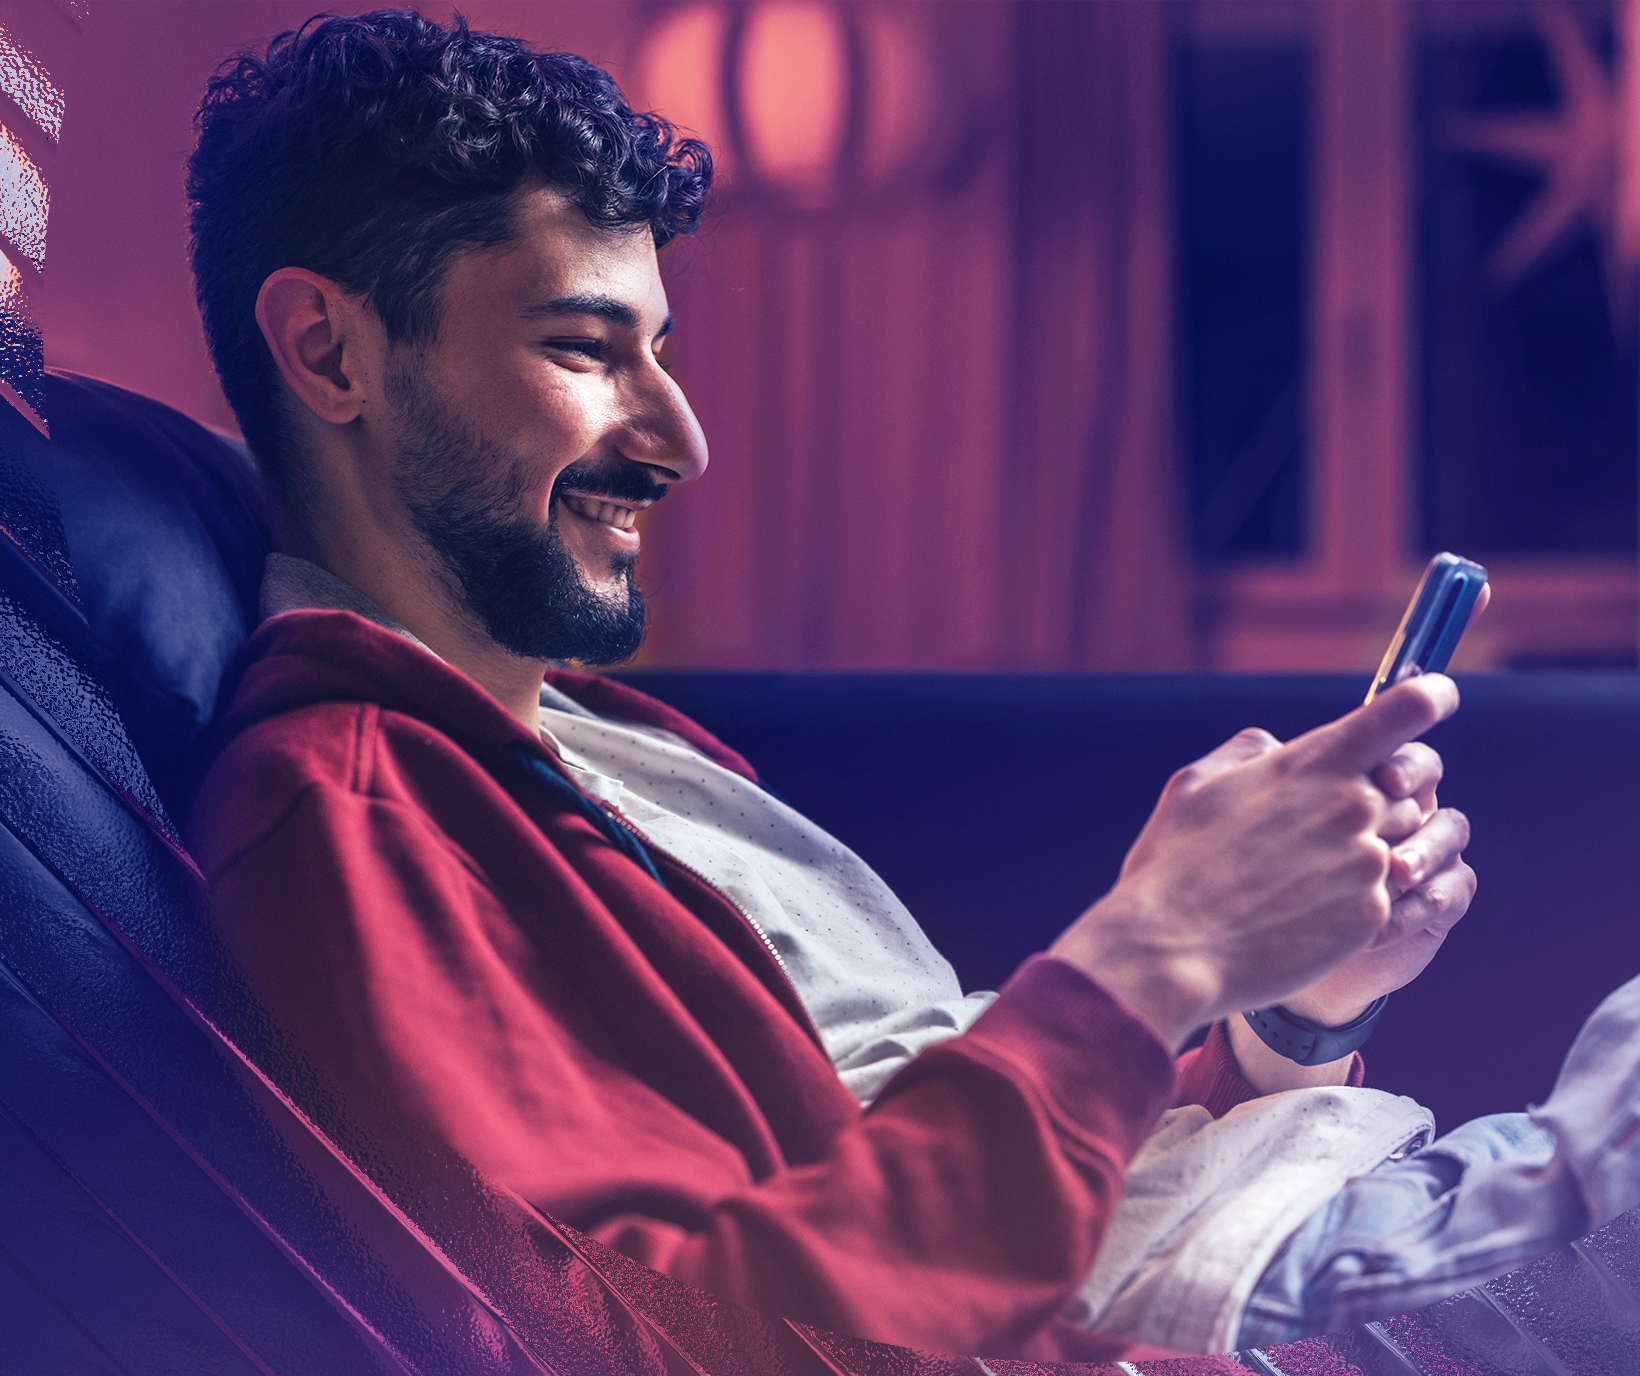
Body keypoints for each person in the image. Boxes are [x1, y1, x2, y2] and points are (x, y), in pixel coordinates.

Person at [184, 11, 1486, 1359]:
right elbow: (698, 1337)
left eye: (660, 350)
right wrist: (1157, 947)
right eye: (583, 349)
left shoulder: (606, 751)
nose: (679, 437)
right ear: (332, 355)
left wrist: (1288, 1007)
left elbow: (946, 1139)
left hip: (1275, 1253)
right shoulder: (364, 812)